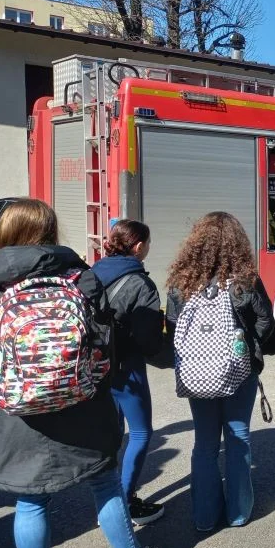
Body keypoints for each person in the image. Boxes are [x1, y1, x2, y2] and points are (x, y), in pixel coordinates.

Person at [0, 199, 174, 548]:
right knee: (105, 485)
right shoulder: (79, 278)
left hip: (17, 416)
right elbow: (104, 348)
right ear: (51, 232)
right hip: (84, 406)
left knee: (29, 501)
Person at [166, 212, 274, 531]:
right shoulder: (244, 280)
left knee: (205, 443)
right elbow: (266, 322)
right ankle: (238, 513)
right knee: (238, 438)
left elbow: (173, 326)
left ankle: (204, 516)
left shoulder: (180, 283)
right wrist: (244, 345)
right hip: (238, 371)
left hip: (196, 372)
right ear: (237, 243)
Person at [91, 220, 166, 526]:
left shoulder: (93, 272)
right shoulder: (140, 284)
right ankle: (125, 501)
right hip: (126, 367)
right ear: (138, 247)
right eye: (147, 244)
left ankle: (107, 499)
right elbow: (149, 340)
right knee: (140, 432)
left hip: (94, 365)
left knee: (112, 433)